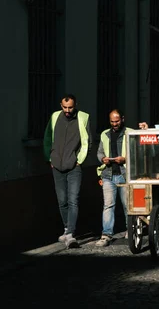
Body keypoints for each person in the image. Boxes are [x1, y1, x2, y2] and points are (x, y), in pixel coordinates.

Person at [43, 94, 92, 249]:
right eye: (65, 107)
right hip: (57, 165)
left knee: (73, 199)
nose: (67, 110)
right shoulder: (55, 116)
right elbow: (47, 138)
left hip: (74, 167)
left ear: (75, 105)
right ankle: (66, 228)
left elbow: (88, 141)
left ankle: (70, 233)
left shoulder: (83, 117)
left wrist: (79, 160)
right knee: (62, 200)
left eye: (70, 107)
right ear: (61, 105)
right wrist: (50, 158)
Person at [95, 109, 132, 247]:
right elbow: (99, 152)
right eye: (112, 121)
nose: (114, 124)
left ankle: (131, 230)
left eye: (117, 121)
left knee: (128, 205)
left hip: (125, 174)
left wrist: (124, 159)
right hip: (108, 174)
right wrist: (102, 159)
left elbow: (136, 152)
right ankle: (106, 235)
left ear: (122, 119)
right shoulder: (105, 134)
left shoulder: (130, 133)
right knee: (108, 205)